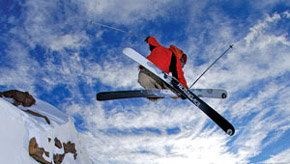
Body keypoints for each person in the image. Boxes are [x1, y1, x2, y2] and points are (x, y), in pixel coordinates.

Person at [138, 36, 189, 101]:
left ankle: (154, 94)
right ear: (180, 58)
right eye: (182, 64)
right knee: (170, 84)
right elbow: (179, 75)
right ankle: (177, 92)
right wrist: (185, 89)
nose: (181, 66)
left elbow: (153, 42)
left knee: (143, 80)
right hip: (161, 75)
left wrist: (149, 39)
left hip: (145, 72)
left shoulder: (159, 47)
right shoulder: (175, 57)